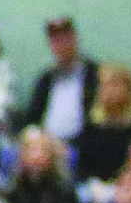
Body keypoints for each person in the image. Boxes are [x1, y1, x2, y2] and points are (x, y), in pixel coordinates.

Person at [23, 19, 99, 147]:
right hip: (46, 146)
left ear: (75, 38)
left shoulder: (94, 75)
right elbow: (33, 116)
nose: (61, 43)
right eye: (55, 39)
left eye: (65, 37)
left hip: (81, 145)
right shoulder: (46, 79)